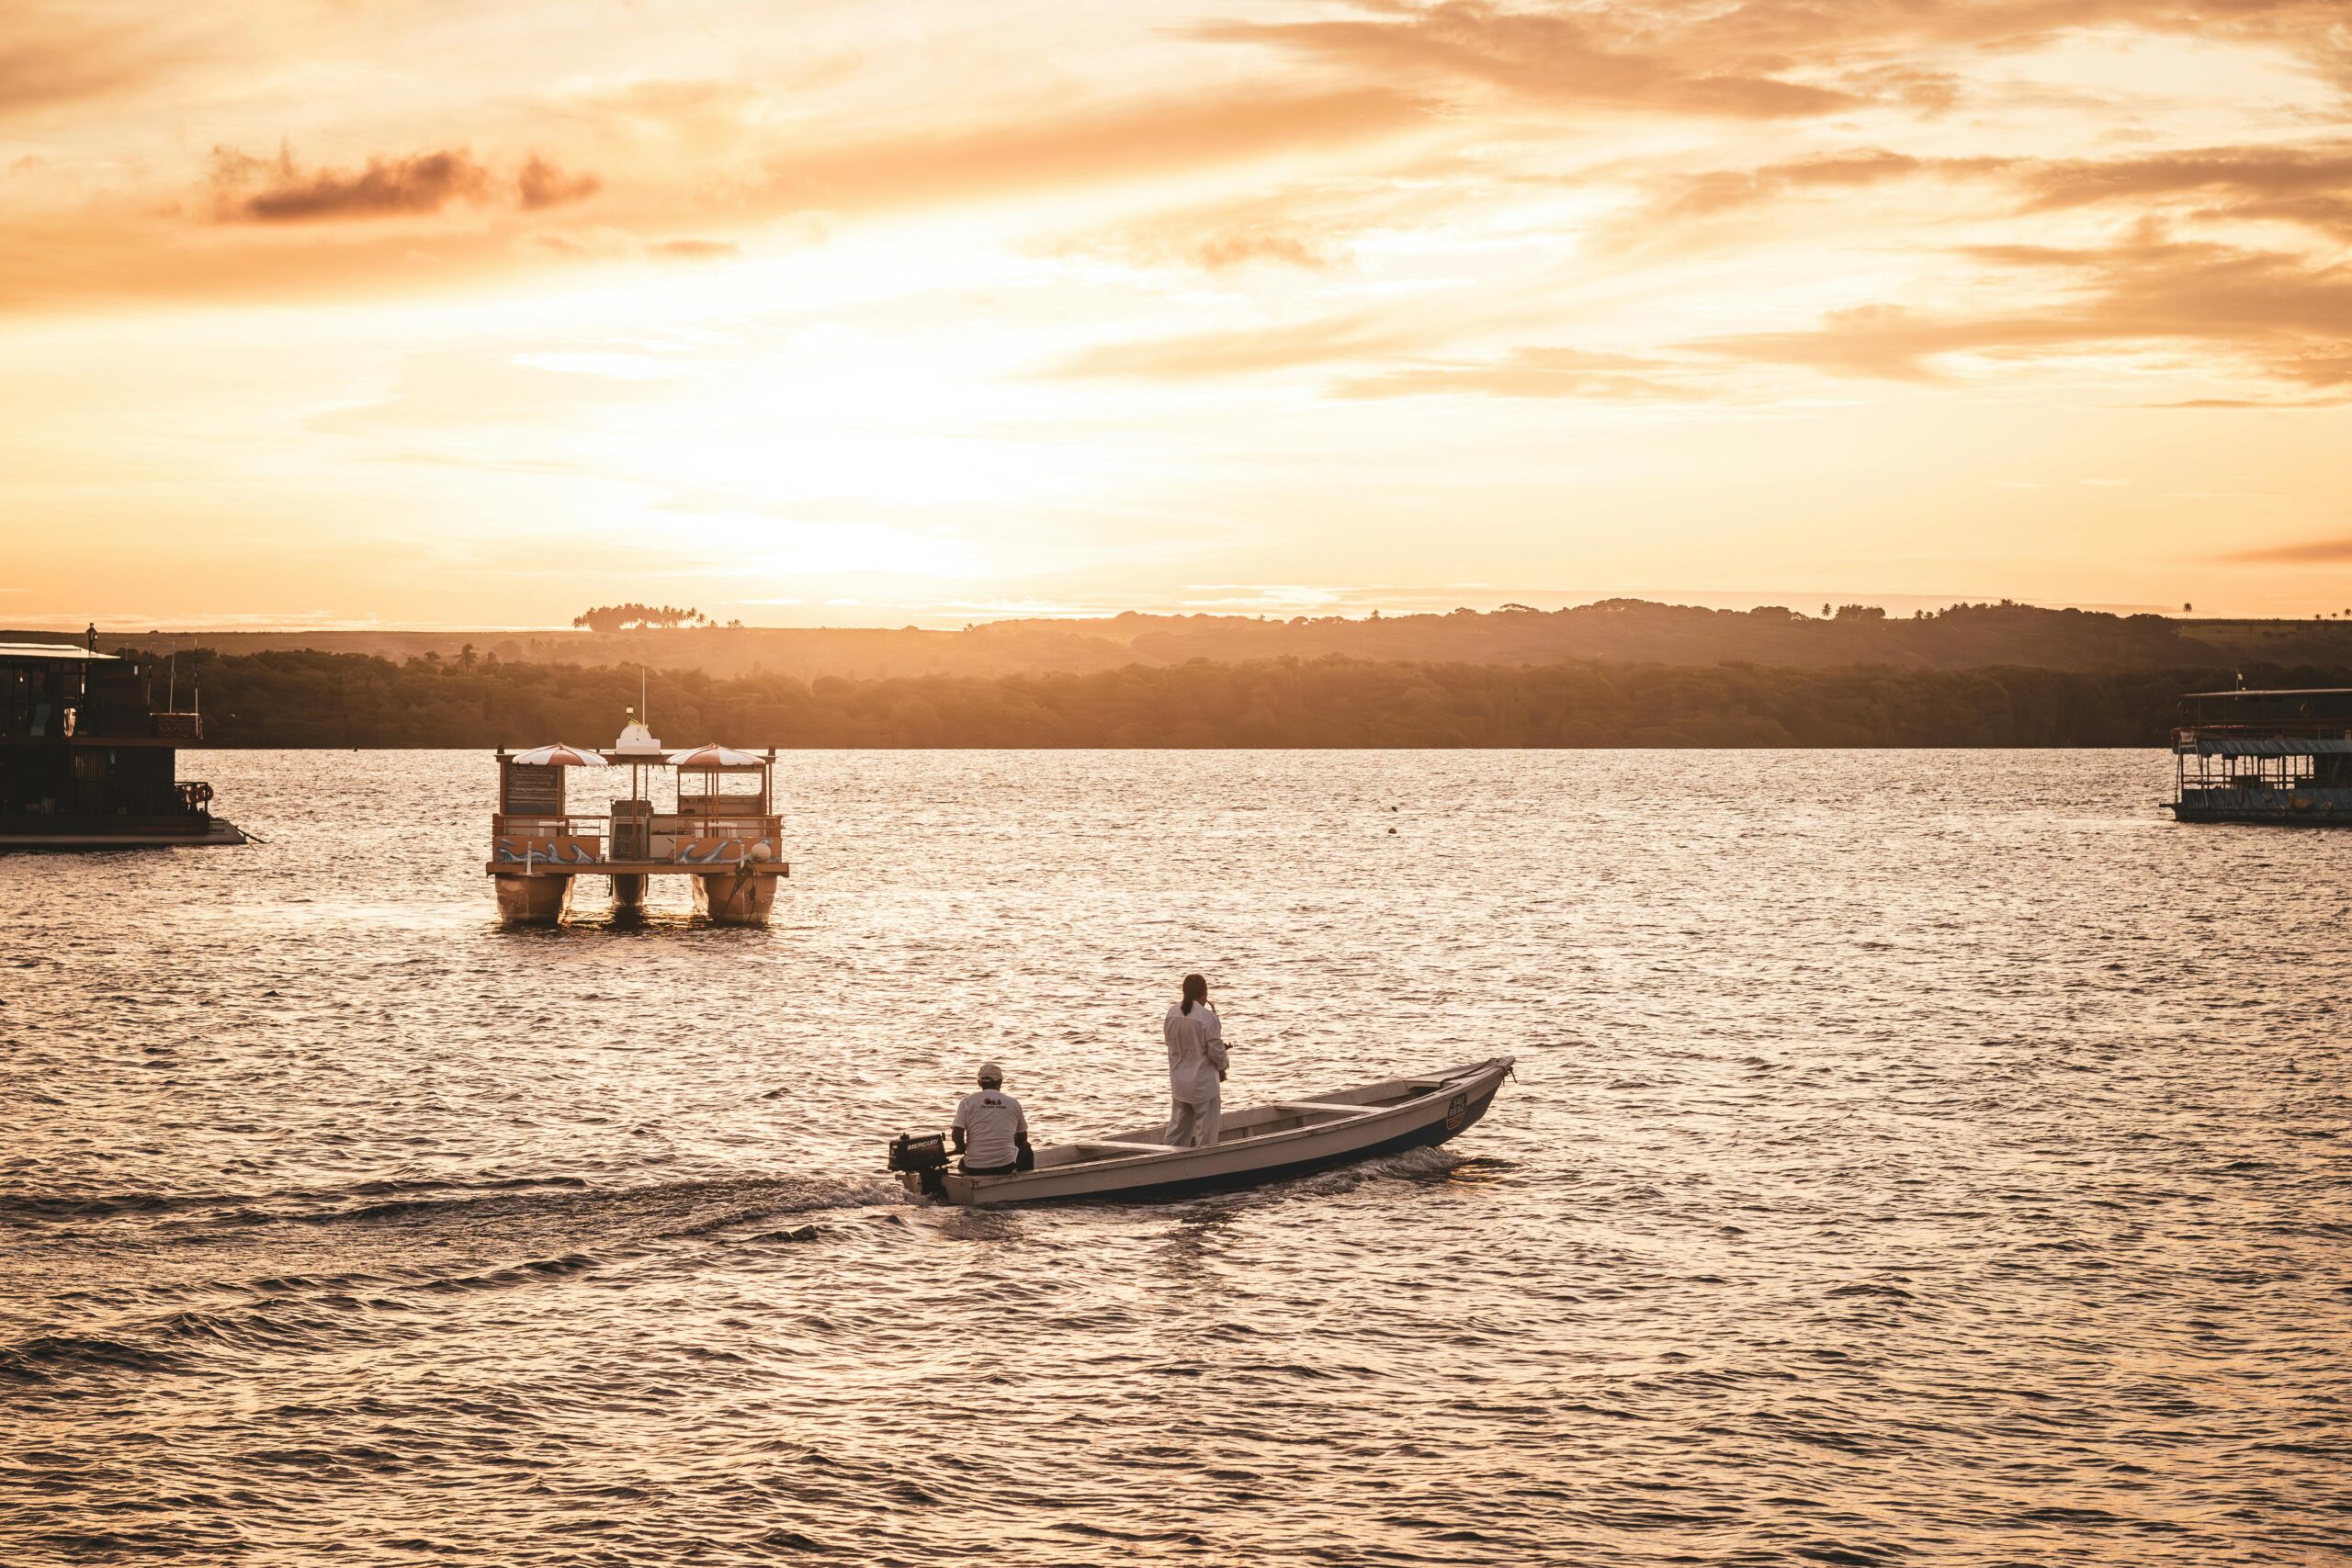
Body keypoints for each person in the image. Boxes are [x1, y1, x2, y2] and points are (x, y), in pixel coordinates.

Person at [1163, 973, 1227, 1147]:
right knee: (1206, 1135)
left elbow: (1169, 1042)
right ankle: (1205, 1166)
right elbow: (1217, 1053)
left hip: (1179, 1083)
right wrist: (1224, 1065)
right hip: (1203, 1085)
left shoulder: (1171, 1013)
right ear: (1204, 993)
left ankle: (1167, 1161)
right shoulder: (1208, 1017)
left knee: (1177, 1131)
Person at [951, 1062, 1031, 1175]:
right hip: (1005, 1166)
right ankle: (1025, 1183)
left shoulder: (966, 1102)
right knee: (1026, 1146)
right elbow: (1023, 1136)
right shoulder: (1013, 1103)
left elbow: (957, 1134)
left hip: (973, 1168)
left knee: (964, 1162)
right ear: (1001, 1081)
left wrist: (961, 1147)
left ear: (979, 1082)